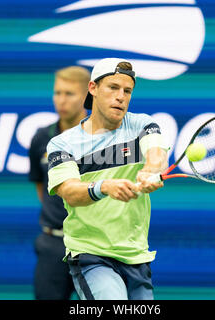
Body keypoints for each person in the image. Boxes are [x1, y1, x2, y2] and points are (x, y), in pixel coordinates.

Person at [46, 58, 169, 300]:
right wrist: (103, 187)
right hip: (91, 255)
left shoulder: (142, 124)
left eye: (127, 91)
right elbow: (70, 191)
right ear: (92, 88)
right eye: (113, 88)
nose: (121, 96)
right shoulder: (62, 144)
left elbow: (155, 154)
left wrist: (150, 170)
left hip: (136, 256)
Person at [29, 66, 90, 300]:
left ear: (87, 96)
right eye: (57, 93)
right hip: (53, 245)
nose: (61, 100)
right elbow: (42, 188)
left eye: (69, 94)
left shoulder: (106, 139)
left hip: (95, 247)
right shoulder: (41, 138)